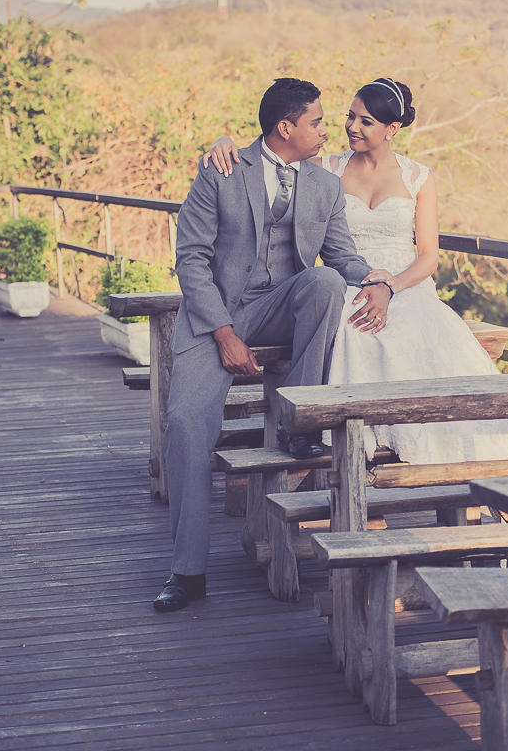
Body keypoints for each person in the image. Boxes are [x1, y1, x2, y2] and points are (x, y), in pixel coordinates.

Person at [204, 77, 508, 465]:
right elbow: (272, 151)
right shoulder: (324, 166)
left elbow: (429, 255)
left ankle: (439, 446)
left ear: (392, 129)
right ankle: (327, 433)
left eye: (365, 121)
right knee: (351, 327)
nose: (351, 127)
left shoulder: (419, 177)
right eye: (350, 116)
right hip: (348, 280)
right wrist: (222, 141)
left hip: (405, 283)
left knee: (423, 334)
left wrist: (392, 285)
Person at [155, 77, 392, 612]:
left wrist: (380, 281)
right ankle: (187, 571)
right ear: (285, 127)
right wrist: (224, 333)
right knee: (187, 424)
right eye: (317, 121)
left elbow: (342, 256)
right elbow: (190, 259)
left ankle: (297, 420)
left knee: (328, 282)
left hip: (280, 306)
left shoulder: (324, 185)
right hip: (215, 315)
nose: (326, 130)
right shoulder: (220, 169)